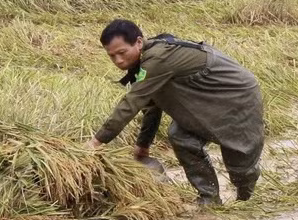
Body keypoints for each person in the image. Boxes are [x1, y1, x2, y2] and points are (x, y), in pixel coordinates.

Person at [88, 19, 264, 206]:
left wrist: (96, 141)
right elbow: (151, 104)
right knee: (180, 136)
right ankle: (209, 198)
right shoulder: (143, 63)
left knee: (239, 161)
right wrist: (143, 145)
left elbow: (132, 102)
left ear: (139, 42)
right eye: (112, 56)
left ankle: (246, 202)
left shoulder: (157, 59)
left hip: (236, 96)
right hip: (203, 100)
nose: (118, 61)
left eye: (122, 53)